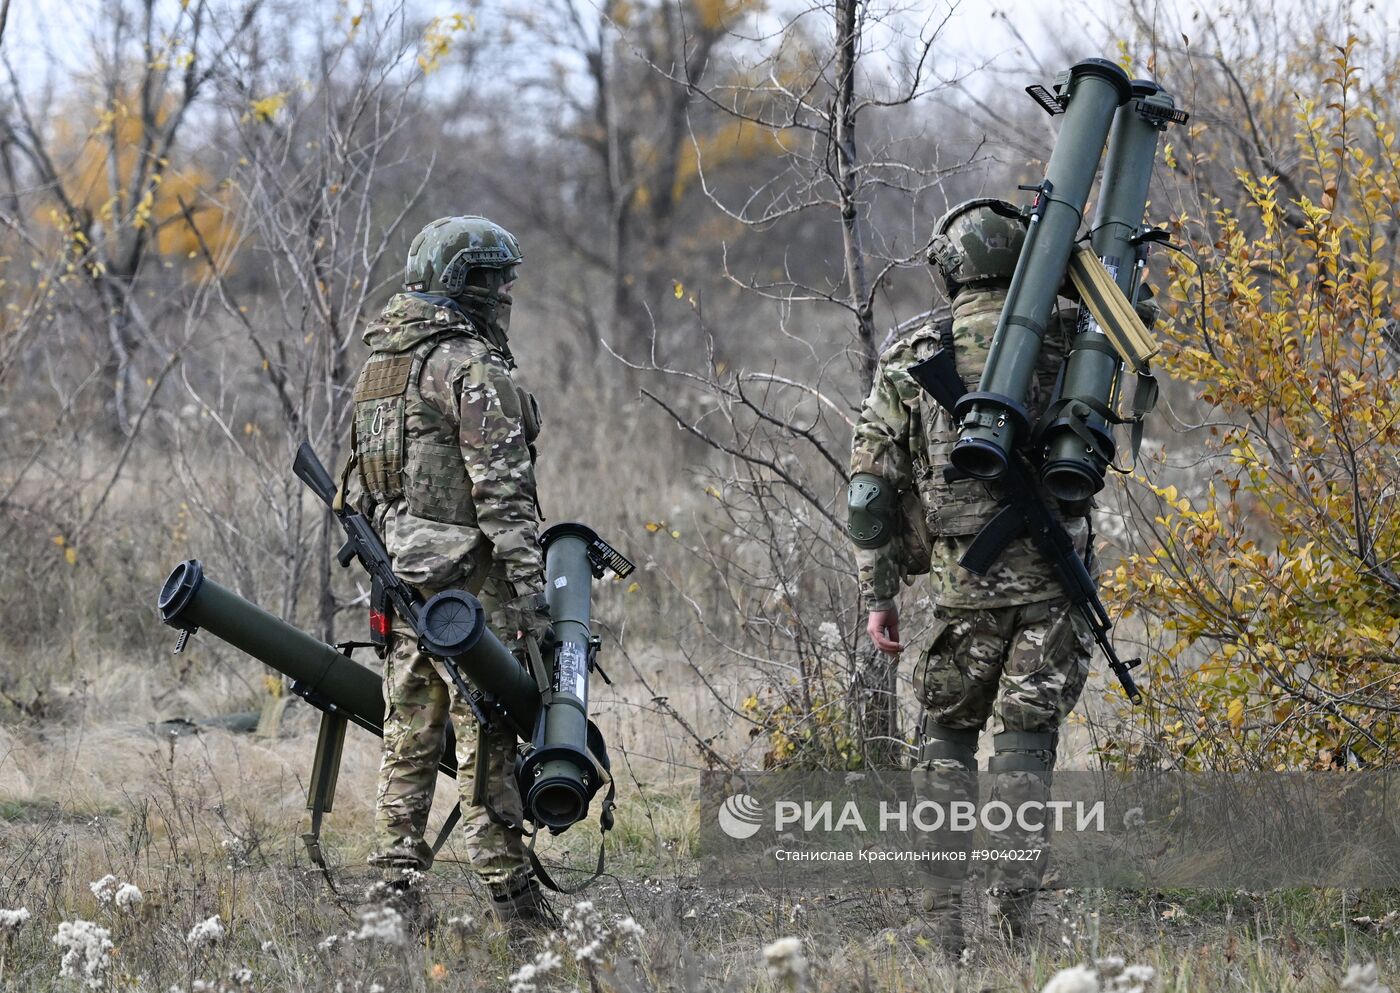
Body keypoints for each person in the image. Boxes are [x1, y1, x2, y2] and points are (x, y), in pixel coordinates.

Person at [847, 198, 1098, 953]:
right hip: (1056, 583)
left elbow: (869, 490)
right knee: (1027, 747)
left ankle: (940, 927)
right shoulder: (1073, 338)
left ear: (949, 265)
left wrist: (879, 593)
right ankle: (1023, 924)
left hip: (963, 591)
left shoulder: (915, 350)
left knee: (947, 737)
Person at [341, 215, 551, 924]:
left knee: (407, 740)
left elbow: (363, 489)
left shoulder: (379, 368)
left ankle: (391, 901)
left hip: (402, 583)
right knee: (487, 735)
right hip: (470, 595)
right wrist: (533, 596)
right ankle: (516, 909)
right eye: (495, 280)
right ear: (466, 285)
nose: (504, 293)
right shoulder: (469, 366)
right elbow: (503, 493)